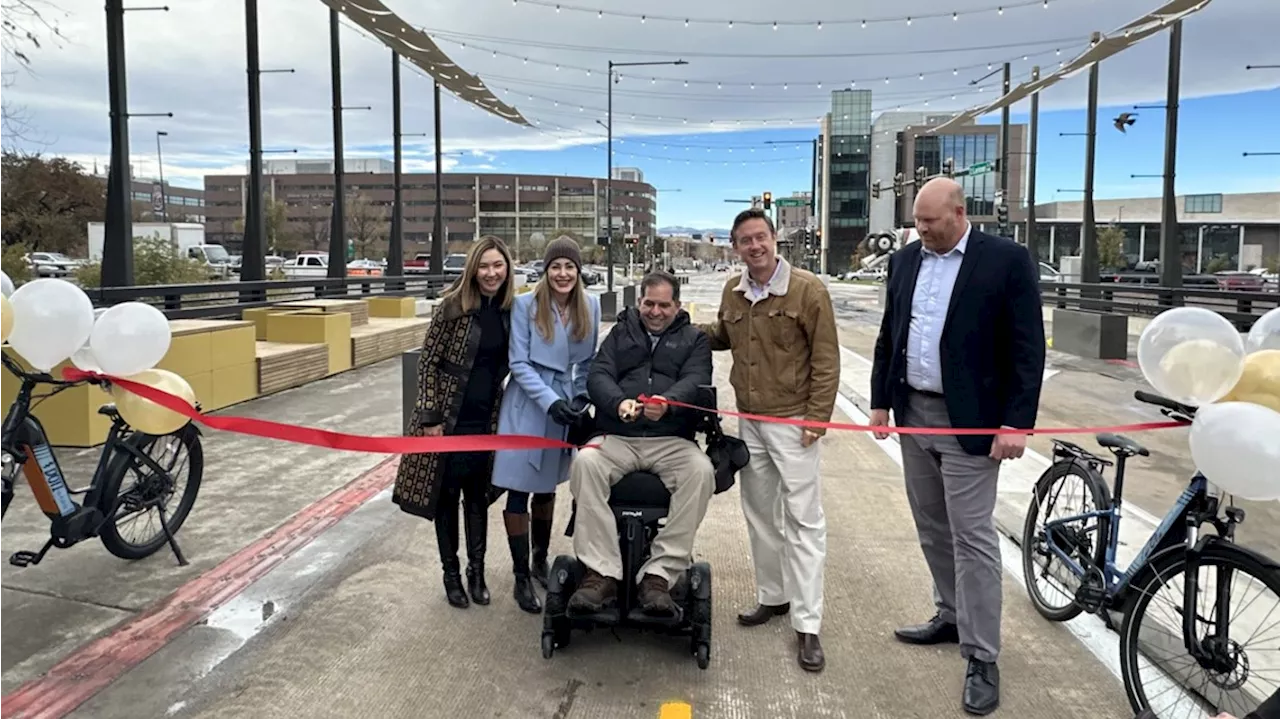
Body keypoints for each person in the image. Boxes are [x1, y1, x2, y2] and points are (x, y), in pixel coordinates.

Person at [869, 177, 1045, 716]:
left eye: (932, 222)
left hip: (970, 421)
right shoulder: (905, 262)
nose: (922, 230)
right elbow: (888, 334)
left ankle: (982, 654)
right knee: (931, 526)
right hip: (913, 411)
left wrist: (1016, 423)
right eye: (917, 222)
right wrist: (880, 401)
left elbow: (1026, 345)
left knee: (972, 537)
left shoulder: (1007, 260)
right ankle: (950, 614)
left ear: (961, 213)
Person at [698, 207, 840, 673]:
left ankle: (808, 623)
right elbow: (724, 334)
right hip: (751, 420)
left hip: (795, 421)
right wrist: (680, 327)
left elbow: (826, 360)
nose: (754, 247)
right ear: (735, 246)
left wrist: (817, 419)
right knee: (759, 514)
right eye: (745, 241)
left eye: (761, 238)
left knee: (803, 520)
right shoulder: (733, 291)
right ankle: (774, 597)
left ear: (774, 239)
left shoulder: (807, 290)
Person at [566, 271, 714, 617]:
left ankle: (659, 575)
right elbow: (597, 375)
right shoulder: (619, 334)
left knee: (701, 472)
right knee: (585, 463)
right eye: (649, 303)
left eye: (664, 305)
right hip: (620, 434)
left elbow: (697, 379)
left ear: (677, 306)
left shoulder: (695, 340)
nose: (656, 311)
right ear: (639, 302)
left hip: (672, 439)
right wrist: (619, 402)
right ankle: (602, 572)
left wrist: (669, 402)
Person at [392, 236, 515, 609]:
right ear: (472, 268)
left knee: (477, 500)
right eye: (484, 265)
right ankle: (451, 574)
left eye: (498, 265)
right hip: (446, 420)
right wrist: (430, 417)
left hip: (486, 421)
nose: (491, 273)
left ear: (507, 268)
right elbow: (428, 362)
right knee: (445, 500)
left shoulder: (512, 311)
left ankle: (477, 574)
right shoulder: (452, 307)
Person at [491, 236, 601, 614]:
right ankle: (521, 576)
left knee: (548, 487)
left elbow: (587, 363)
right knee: (519, 488)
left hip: (565, 405)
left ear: (578, 270)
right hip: (528, 405)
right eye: (556, 266)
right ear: (546, 269)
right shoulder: (525, 305)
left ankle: (540, 560)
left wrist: (580, 399)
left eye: (569, 266)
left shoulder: (591, 305)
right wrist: (550, 401)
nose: (563, 273)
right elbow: (518, 363)